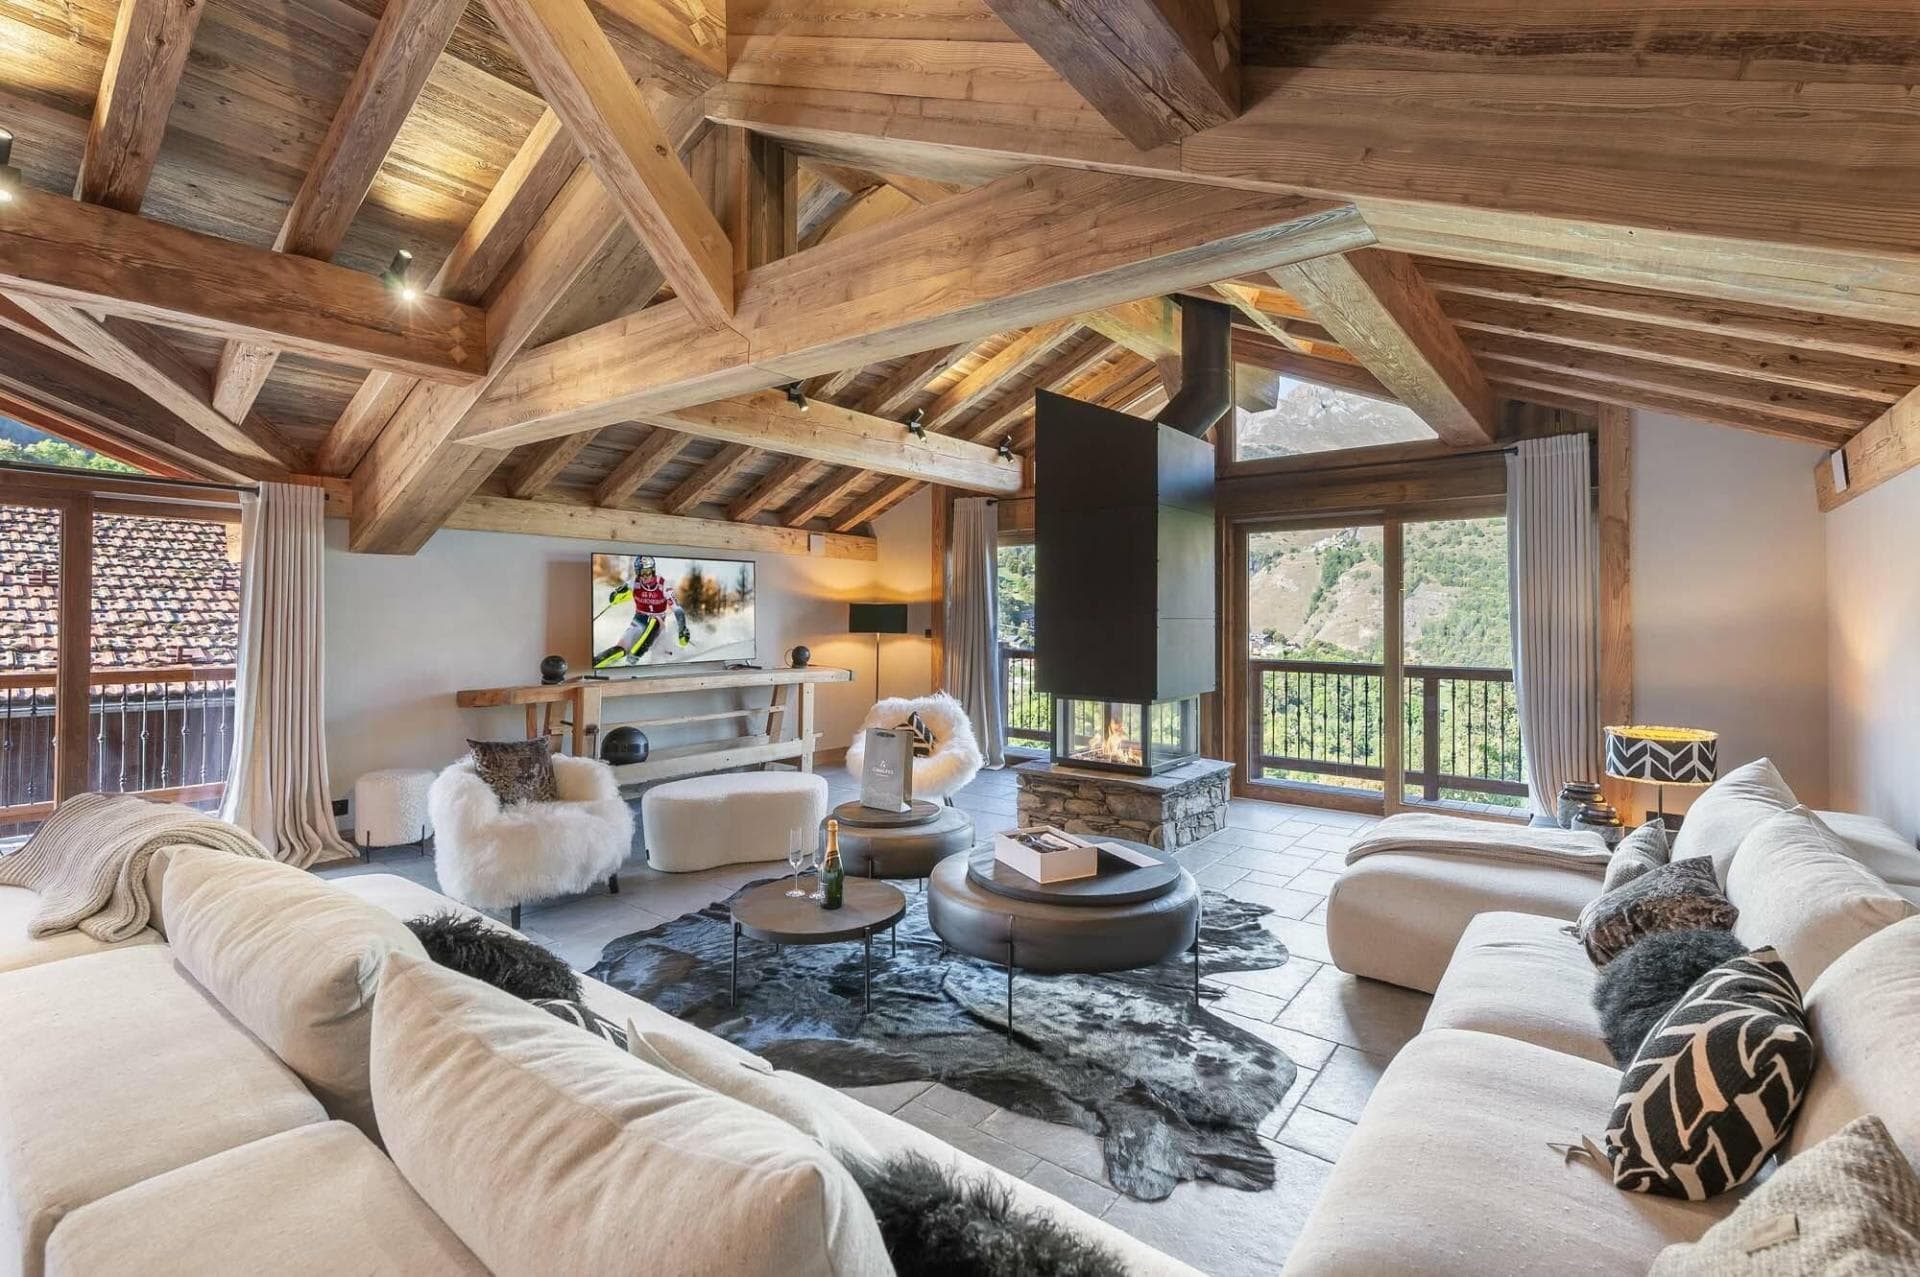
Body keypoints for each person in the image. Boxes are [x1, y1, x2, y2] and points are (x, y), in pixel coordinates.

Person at [593, 556, 691, 668]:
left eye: (647, 572)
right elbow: (613, 599)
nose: (644, 577)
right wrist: (617, 594)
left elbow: (677, 609)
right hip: (638, 622)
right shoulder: (633, 583)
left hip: (659, 626)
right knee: (620, 649)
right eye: (640, 573)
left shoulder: (663, 585)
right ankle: (595, 663)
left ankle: (635, 656)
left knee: (654, 622)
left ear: (653, 570)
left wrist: (682, 628)